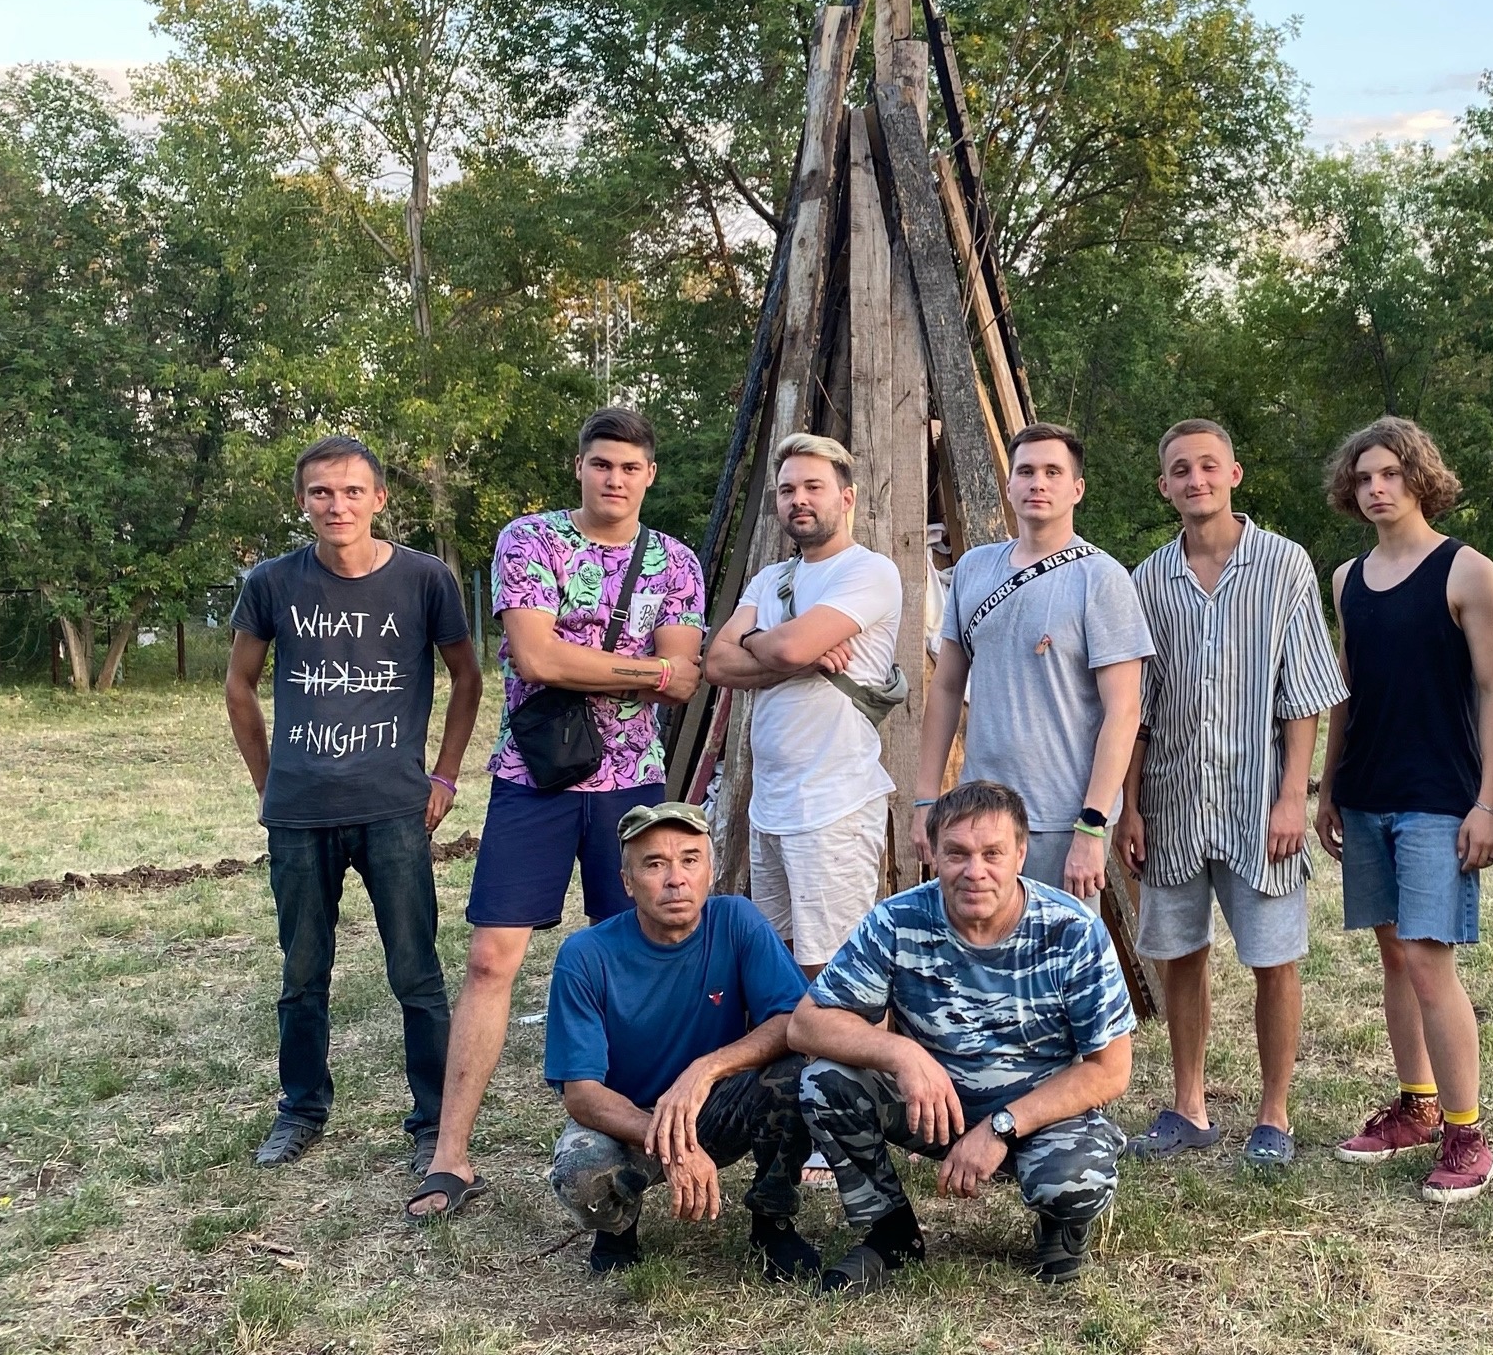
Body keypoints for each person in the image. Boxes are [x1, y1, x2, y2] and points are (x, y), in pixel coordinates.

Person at [408, 406, 707, 1221]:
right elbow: (536, 657)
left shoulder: (676, 561)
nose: (615, 479)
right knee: (490, 961)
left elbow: (683, 677)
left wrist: (594, 663)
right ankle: (450, 1155)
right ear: (579, 467)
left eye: (631, 468)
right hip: (532, 779)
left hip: (633, 786)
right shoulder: (530, 539)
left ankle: (644, 1138)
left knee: (643, 962)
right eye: (601, 464)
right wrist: (640, 668)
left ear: (650, 476)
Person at [225, 435, 481, 1176]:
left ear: (379, 499)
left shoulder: (426, 580)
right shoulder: (272, 582)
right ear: (302, 501)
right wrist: (268, 782)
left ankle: (434, 1123)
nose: (336, 505)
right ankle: (301, 1109)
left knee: (417, 974)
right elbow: (239, 685)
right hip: (300, 812)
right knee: (302, 973)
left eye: (351, 491)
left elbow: (466, 678)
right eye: (321, 493)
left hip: (393, 808)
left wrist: (444, 776)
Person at [791, 781, 1136, 1291]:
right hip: (935, 1109)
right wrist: (903, 1054)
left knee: (1072, 1182)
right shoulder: (898, 921)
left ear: (1020, 854)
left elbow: (1111, 1070)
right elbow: (806, 1022)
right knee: (824, 1081)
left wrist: (1000, 1127)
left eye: (992, 853)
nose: (975, 871)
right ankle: (890, 1232)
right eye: (957, 853)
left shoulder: (1073, 931)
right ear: (934, 854)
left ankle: (1060, 1226)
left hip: (1039, 1116)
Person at [1116, 419, 1346, 1171]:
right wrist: (1131, 805)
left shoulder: (1283, 565)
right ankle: (1189, 1105)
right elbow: (1137, 706)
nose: (1196, 480)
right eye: (1181, 470)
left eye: (1209, 466)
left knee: (1273, 958)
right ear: (1165, 486)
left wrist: (1292, 796)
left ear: (1234, 474)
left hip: (1257, 802)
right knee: (1179, 954)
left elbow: (1304, 692)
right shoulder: (1148, 580)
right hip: (1174, 800)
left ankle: (1274, 1113)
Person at [1313, 416, 1493, 1205]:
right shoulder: (1346, 579)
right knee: (1394, 957)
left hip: (1438, 800)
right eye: (1363, 477)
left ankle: (1468, 1136)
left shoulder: (1467, 571)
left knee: (1431, 963)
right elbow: (1345, 690)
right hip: (1366, 793)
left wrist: (1489, 804)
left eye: (1391, 474)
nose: (1376, 488)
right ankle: (1418, 1108)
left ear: (1420, 478)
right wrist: (1329, 786)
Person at [536, 801, 826, 1278]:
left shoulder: (737, 921)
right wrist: (674, 1144)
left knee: (798, 1074)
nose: (676, 879)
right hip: (629, 1118)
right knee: (580, 1175)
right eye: (655, 865)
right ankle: (617, 1229)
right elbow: (582, 1094)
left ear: (710, 871)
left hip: (714, 1105)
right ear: (627, 882)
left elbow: (792, 1021)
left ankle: (773, 1221)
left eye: (690, 860)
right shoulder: (585, 954)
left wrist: (704, 1070)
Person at [913, 423, 1152, 903]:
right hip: (979, 815)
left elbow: (1124, 710)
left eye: (1052, 472)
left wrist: (1092, 824)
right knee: (978, 945)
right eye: (1025, 471)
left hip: (1062, 820)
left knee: (1055, 949)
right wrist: (925, 798)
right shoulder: (975, 568)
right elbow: (947, 687)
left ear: (1077, 488)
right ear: (1009, 486)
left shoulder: (1101, 579)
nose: (1037, 483)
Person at [699, 433, 902, 978]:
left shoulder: (869, 572)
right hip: (771, 805)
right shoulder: (772, 578)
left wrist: (764, 644)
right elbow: (716, 663)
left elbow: (783, 649)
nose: (799, 499)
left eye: (814, 486)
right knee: (781, 962)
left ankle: (847, 1042)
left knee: (834, 971)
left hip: (833, 805)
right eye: (787, 490)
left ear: (847, 497)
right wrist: (795, 654)